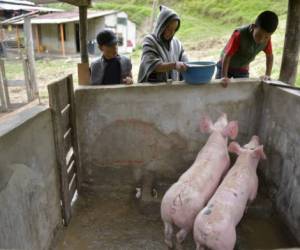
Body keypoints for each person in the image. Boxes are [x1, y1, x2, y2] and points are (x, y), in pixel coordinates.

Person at [216, 11, 279, 87]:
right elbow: (228, 55)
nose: (261, 40)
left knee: (243, 91)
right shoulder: (239, 34)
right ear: (253, 26)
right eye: (259, 35)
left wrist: (267, 75)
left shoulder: (267, 40)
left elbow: (270, 56)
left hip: (242, 69)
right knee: (220, 88)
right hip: (225, 66)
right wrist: (224, 77)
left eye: (266, 37)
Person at [138, 5, 188, 83]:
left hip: (172, 91)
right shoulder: (150, 41)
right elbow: (153, 65)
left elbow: (186, 63)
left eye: (174, 30)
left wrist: (186, 65)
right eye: (168, 28)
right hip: (152, 91)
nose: (171, 33)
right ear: (161, 25)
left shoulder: (177, 44)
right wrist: (174, 65)